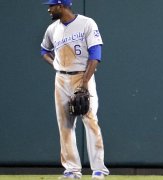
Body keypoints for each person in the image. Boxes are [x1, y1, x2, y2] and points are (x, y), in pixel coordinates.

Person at [40, 0, 109, 179]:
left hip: (82, 75)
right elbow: (44, 51)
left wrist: (85, 82)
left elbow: (96, 55)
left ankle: (99, 169)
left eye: (51, 5)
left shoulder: (86, 23)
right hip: (61, 79)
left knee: (90, 121)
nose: (49, 9)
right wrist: (54, 63)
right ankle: (71, 170)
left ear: (62, 6)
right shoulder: (52, 29)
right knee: (65, 125)